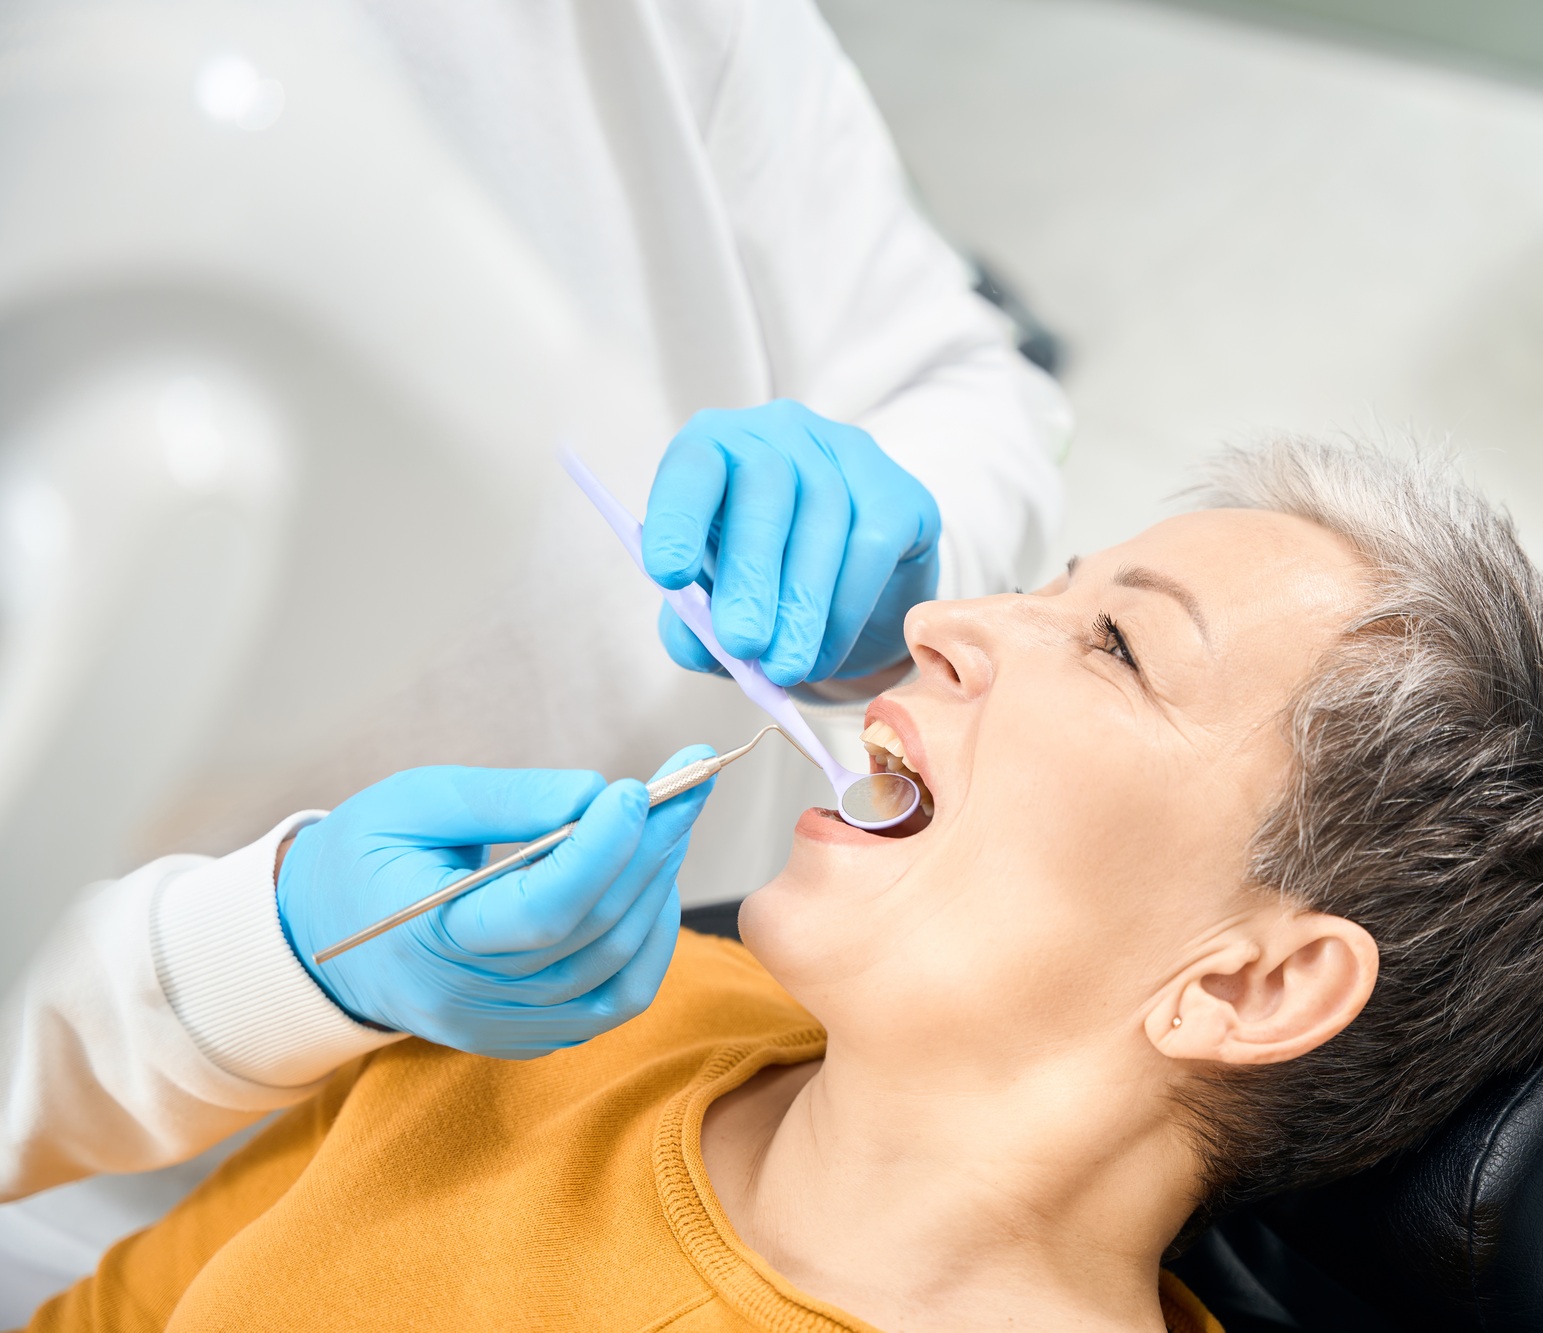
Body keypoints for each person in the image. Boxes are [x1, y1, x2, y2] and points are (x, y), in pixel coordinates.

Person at [8, 437, 1543, 1332]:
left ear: (1249, 980)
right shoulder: (611, 1012)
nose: (940, 617)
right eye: (1052, 581)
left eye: (1116, 643)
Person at [0, 0, 1062, 1201]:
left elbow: (953, 368)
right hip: (181, 1194)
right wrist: (260, 961)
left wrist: (912, 559)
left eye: (1115, 639)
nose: (990, 643)